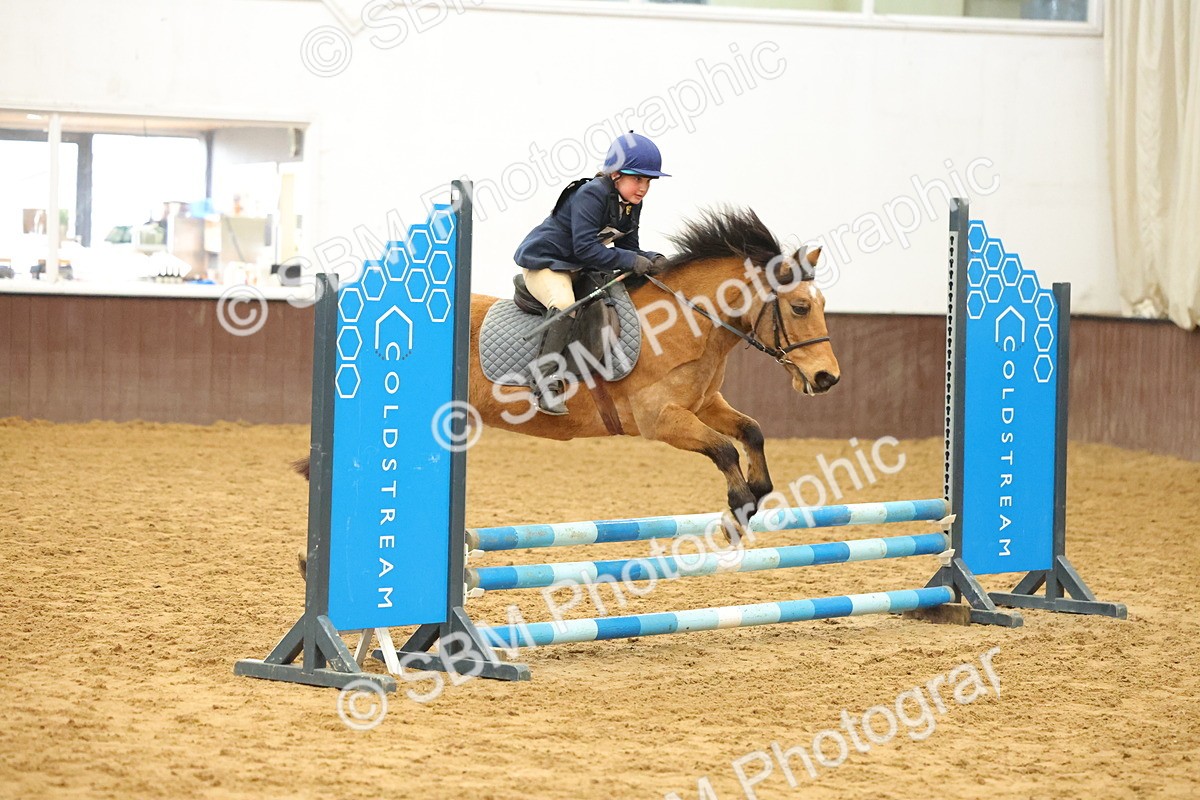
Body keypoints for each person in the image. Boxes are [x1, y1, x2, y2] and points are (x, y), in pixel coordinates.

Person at [514, 131, 671, 415]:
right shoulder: (592, 194)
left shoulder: (630, 204)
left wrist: (652, 259)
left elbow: (627, 248)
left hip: (578, 269)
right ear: (616, 175)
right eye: (638, 179)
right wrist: (632, 259)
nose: (643, 187)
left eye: (648, 181)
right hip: (546, 264)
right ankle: (544, 383)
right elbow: (586, 249)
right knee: (563, 305)